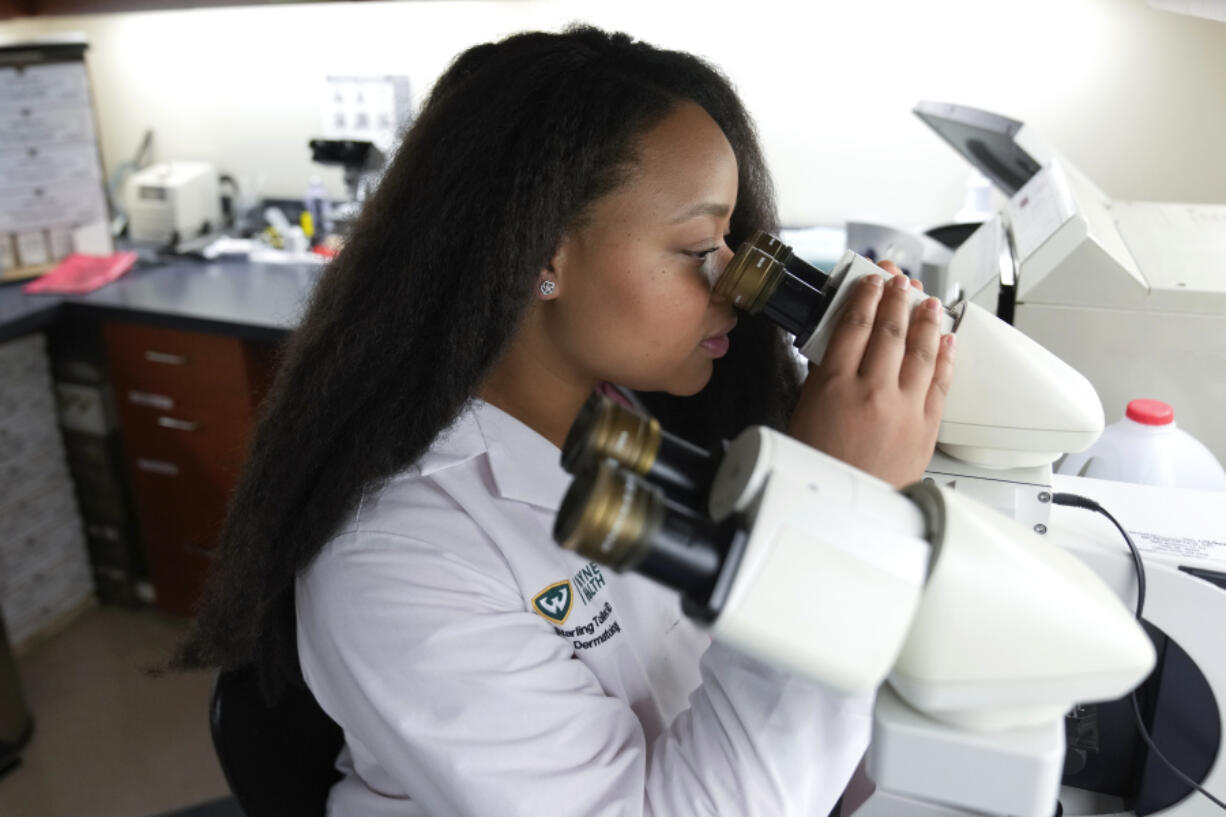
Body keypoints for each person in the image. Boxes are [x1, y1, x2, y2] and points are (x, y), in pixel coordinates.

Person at [176, 26, 954, 816]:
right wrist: (841, 520)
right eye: (696, 249)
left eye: (731, 244)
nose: (732, 288)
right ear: (543, 256)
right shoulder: (397, 554)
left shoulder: (627, 413)